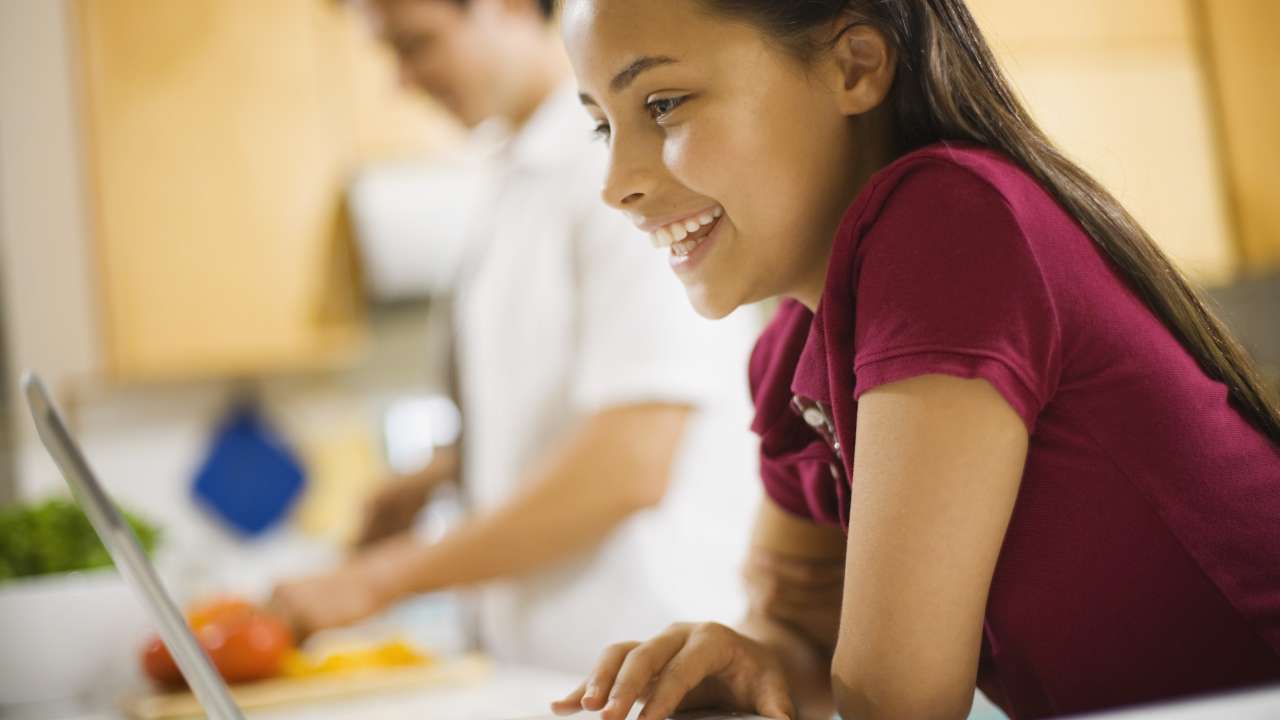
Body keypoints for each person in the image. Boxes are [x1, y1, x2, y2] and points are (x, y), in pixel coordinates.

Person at [549, 1, 1280, 719]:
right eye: (601, 128)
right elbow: (803, 630)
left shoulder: (947, 221)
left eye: (665, 103)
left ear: (854, 66)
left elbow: (896, 702)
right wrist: (758, 662)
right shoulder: (795, 347)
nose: (616, 185)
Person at [270, 0, 761, 674]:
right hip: (561, 669)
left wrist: (376, 579)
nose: (403, 81)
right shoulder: (513, 176)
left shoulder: (624, 175)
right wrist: (442, 474)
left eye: (415, 45)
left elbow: (632, 458)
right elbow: (566, 406)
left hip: (657, 661)